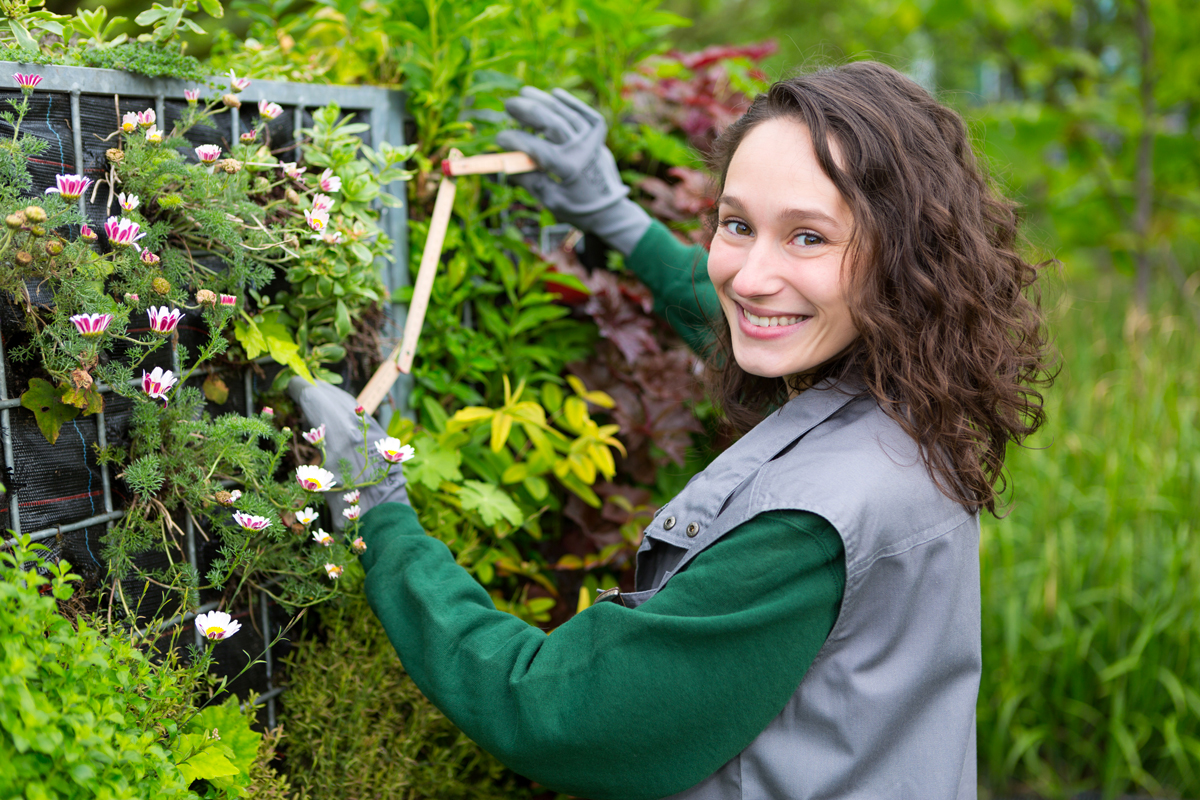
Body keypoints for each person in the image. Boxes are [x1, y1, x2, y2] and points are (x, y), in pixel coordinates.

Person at [290, 61, 1052, 799]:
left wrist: (378, 508)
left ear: (904, 257)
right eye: (736, 224)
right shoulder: (906, 400)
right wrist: (615, 216)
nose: (750, 276)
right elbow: (757, 318)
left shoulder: (806, 529)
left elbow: (564, 714)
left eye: (808, 237)